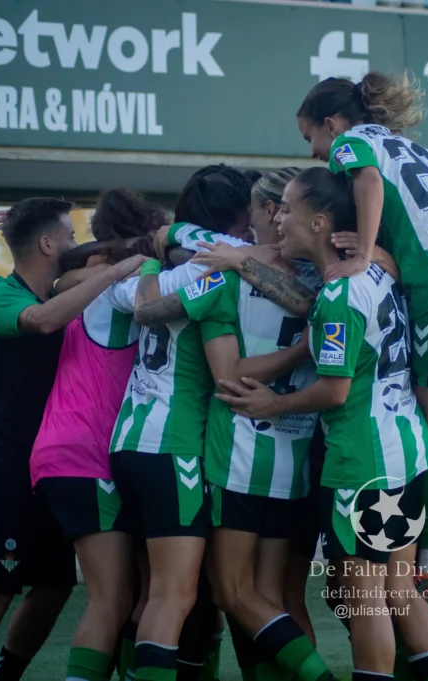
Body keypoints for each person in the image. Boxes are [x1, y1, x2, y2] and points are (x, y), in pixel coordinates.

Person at [216, 167, 428, 681]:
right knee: (399, 590)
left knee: (364, 599)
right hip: (405, 450)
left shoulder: (337, 298)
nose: (279, 218)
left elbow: (334, 391)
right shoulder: (376, 274)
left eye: (290, 209)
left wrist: (272, 405)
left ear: (320, 223)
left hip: (360, 461)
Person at [296, 72, 428, 591]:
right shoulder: (417, 151)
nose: (316, 155)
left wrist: (367, 254)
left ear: (331, 124)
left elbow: (368, 182)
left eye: (310, 139)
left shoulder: (352, 144)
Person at [133, 166, 337, 681]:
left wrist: (134, 271)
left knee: (231, 593)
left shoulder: (224, 274)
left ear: (268, 212)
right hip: (295, 458)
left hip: (239, 454)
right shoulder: (327, 277)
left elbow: (153, 314)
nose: (248, 222)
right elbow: (308, 304)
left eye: (259, 209)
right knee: (273, 598)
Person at [0, 197, 146, 681]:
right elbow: (43, 320)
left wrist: (126, 254)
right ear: (45, 244)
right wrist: (116, 269)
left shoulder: (63, 289)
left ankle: (5, 674)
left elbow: (82, 271)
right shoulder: (3, 293)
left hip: (50, 468)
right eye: (69, 235)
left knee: (55, 585)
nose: (78, 245)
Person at [27, 189, 168, 681]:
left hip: (74, 456)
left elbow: (68, 266)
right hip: (84, 457)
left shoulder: (79, 285)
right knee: (113, 599)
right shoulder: (120, 291)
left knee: (130, 592)